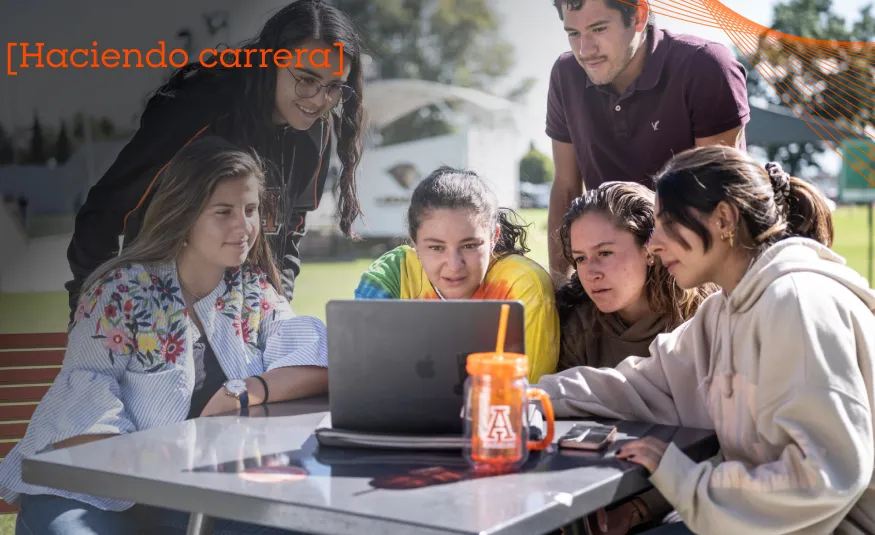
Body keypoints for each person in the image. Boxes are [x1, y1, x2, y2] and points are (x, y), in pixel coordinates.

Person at [535, 145, 875, 535]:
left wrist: (681, 477)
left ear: (724, 220)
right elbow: (641, 384)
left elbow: (823, 476)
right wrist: (530, 396)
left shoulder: (797, 302)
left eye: (667, 224)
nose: (655, 243)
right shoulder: (723, 311)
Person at [0, 136, 329, 535]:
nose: (244, 227)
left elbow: (315, 360)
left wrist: (243, 391)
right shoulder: (121, 290)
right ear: (184, 217)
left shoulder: (251, 291)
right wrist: (167, 461)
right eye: (224, 211)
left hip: (195, 498)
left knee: (306, 523)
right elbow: (84, 415)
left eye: (251, 209)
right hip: (86, 492)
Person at [65, 0, 367, 326]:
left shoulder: (316, 133)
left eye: (335, 86)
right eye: (306, 79)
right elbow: (104, 214)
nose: (320, 100)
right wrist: (95, 315)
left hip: (239, 323)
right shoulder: (199, 108)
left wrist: (274, 314)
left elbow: (288, 236)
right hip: (155, 313)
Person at [545, 0, 750, 281]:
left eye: (599, 28)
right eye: (574, 34)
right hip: (610, 272)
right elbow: (566, 190)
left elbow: (717, 197)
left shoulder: (705, 65)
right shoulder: (565, 74)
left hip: (693, 271)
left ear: (639, 15)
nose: (585, 50)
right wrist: (561, 290)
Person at [554, 181, 716, 534]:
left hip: (692, 496)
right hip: (594, 491)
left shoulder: (702, 320)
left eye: (605, 253)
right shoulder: (578, 323)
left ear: (650, 248)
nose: (591, 271)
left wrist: (640, 508)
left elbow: (721, 447)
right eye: (580, 258)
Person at [354, 166, 560, 384]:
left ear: (494, 237)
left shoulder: (523, 284)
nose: (454, 265)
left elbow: (528, 392)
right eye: (436, 247)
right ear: (413, 241)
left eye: (470, 245)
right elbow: (363, 370)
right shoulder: (393, 273)